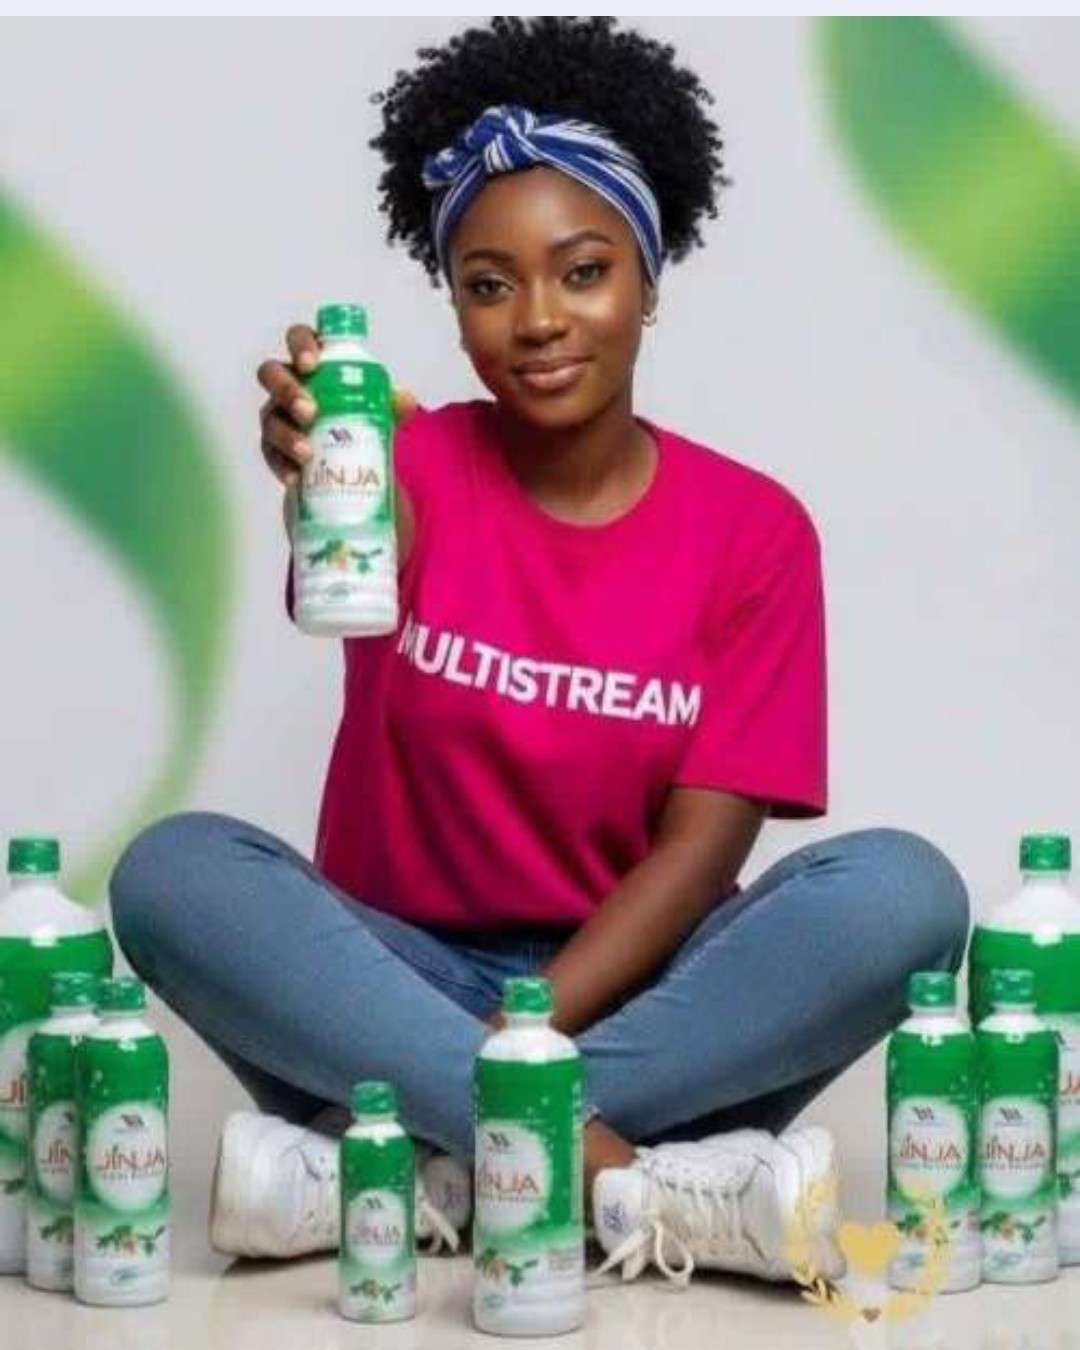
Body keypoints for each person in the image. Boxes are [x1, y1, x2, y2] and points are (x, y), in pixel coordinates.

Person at [110, 17, 969, 1287]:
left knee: (906, 896)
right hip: (393, 975)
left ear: (648, 281)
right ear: (455, 307)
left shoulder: (756, 532)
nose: (539, 320)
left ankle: (419, 1165)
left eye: (584, 271)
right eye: (489, 284)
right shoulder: (403, 463)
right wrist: (322, 483)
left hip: (641, 994)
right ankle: (624, 1176)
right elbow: (363, 547)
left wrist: (520, 1045)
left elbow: (700, 856)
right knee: (173, 873)